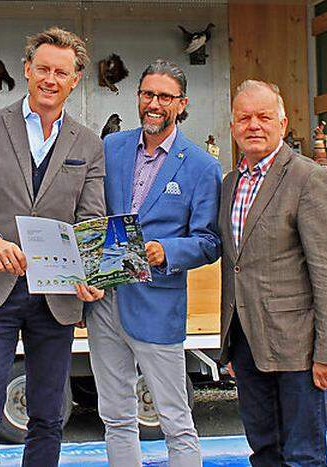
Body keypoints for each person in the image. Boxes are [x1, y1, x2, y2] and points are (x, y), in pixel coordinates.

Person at [0, 27, 106, 466]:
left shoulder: (88, 144)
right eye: (43, 69)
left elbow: (90, 220)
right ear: (27, 71)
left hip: (55, 298)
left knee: (48, 418)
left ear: (75, 80)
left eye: (62, 72)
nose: (51, 79)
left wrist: (89, 274)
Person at [77, 60, 221, 467]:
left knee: (176, 420)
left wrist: (168, 252)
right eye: (147, 95)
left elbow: (210, 242)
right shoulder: (111, 148)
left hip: (157, 305)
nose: (154, 104)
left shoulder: (200, 165)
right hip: (105, 303)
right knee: (116, 417)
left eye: (164, 97)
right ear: (138, 98)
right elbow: (90, 216)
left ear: (182, 103)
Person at [218, 80, 327, 466]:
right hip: (246, 343)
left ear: (283, 122)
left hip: (297, 348)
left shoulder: (310, 179)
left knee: (303, 456)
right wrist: (230, 342)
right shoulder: (231, 183)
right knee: (264, 451)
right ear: (233, 126)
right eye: (244, 118)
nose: (253, 125)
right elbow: (237, 266)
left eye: (263, 116)